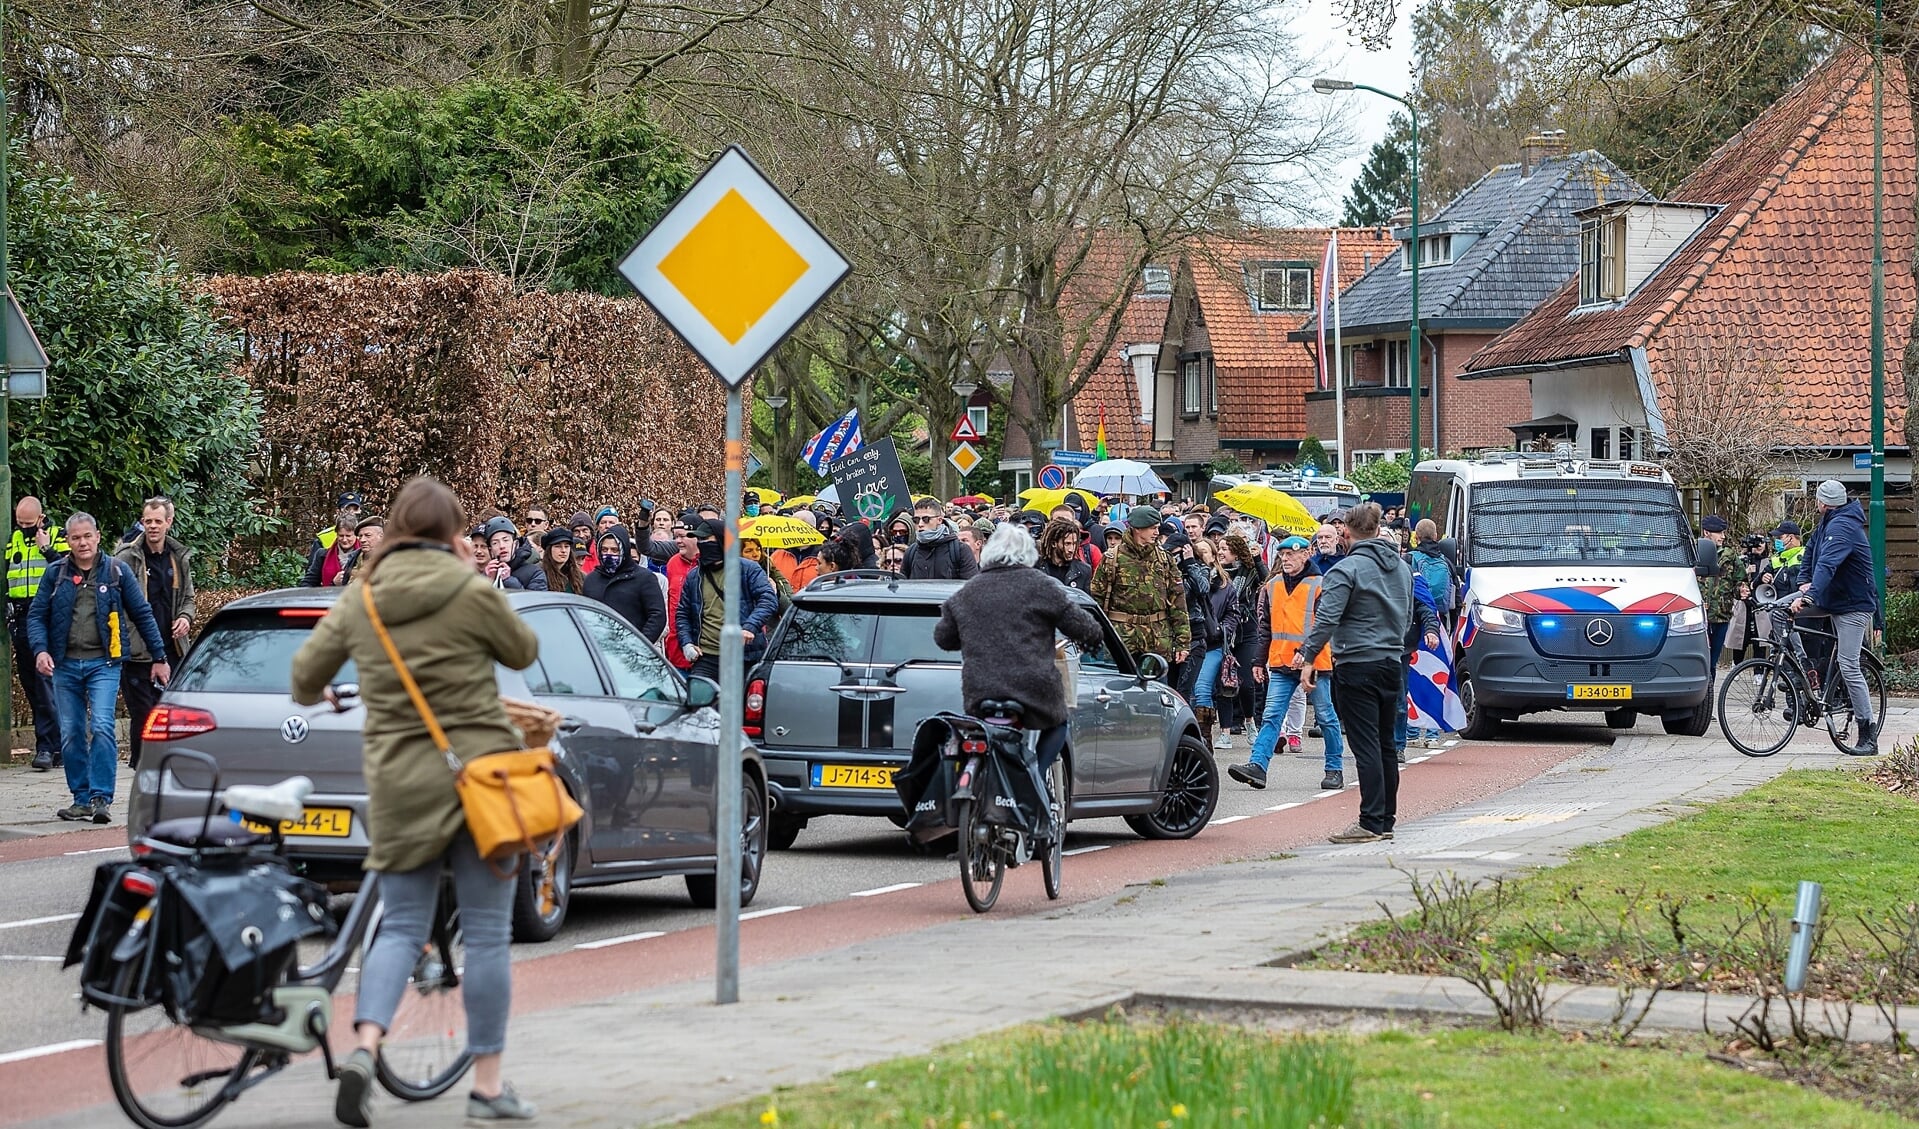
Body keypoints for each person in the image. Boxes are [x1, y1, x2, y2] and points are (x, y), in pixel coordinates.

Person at [289, 476, 539, 1127]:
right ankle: (486, 1088)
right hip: (479, 777)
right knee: (485, 933)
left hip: (400, 781)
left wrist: (337, 694)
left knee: (399, 926)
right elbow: (524, 648)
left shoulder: (361, 596)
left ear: (395, 527)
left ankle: (365, 1047)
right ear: (453, 531)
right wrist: (472, 574)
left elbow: (303, 677)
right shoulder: (470, 586)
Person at [1291, 503, 1438, 845]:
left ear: (1346, 532)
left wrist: (1309, 655)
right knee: (1387, 744)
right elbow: (1407, 614)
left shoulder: (1346, 570)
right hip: (1390, 660)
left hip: (1356, 662)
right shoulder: (1403, 568)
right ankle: (1386, 819)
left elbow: (1327, 618)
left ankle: (1370, 821)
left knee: (1365, 745)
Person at [933, 522, 1105, 792]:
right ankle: (1035, 773)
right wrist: (1093, 639)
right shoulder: (1042, 586)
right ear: (1029, 554)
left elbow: (943, 638)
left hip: (981, 691)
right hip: (1034, 690)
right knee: (1058, 723)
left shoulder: (967, 592)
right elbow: (1085, 627)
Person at [26, 512, 171, 824]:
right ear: (67, 541)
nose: (82, 543)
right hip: (64, 665)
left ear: (97, 536)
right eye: (75, 538)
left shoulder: (116, 572)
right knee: (71, 733)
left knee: (103, 726)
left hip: (103, 664)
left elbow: (143, 613)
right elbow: (37, 615)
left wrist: (159, 658)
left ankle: (101, 798)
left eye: (87, 536)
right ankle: (80, 799)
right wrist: (40, 651)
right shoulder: (56, 574)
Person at [1231, 535, 1344, 791]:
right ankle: (1257, 766)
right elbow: (1266, 628)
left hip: (1314, 664)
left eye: (1291, 554)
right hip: (1281, 661)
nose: (1286, 559)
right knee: (1271, 716)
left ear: (1306, 554)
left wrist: (1305, 652)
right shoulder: (1273, 586)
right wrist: (1259, 660)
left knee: (1325, 716)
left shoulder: (1320, 585)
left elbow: (1324, 624)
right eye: (1282, 555)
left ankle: (1334, 768)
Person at [1794, 480, 1880, 755]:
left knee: (1849, 663)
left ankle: (1868, 734)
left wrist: (1808, 596)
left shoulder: (1843, 527)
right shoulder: (1826, 524)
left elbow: (1828, 564)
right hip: (1831, 599)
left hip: (1853, 605)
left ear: (1822, 503)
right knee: (1777, 611)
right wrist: (1803, 583)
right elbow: (1810, 555)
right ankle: (1806, 669)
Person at [112, 498, 195, 771]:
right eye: (148, 521)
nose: (152, 526)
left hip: (172, 648)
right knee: (143, 713)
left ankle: (164, 764)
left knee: (167, 711)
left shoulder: (178, 557)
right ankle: (140, 764)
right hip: (137, 650)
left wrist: (185, 617)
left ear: (169, 522)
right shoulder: (127, 557)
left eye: (158, 521)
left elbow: (189, 598)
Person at [675, 521, 779, 683]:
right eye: (700, 541)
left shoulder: (748, 569)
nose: (702, 545)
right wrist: (687, 642)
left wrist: (750, 627)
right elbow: (683, 613)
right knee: (698, 702)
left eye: (707, 540)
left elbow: (768, 599)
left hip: (744, 657)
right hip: (706, 658)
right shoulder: (694, 576)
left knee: (741, 706)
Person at [1089, 506, 1190, 670]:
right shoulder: (1112, 558)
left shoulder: (1164, 559)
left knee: (1156, 691)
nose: (1157, 532)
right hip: (1121, 638)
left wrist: (1182, 642)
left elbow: (1178, 601)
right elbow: (1097, 598)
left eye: (1158, 527)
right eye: (1152, 528)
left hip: (1157, 638)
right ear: (1137, 529)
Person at [8, 496, 67, 770]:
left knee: (46, 685)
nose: (24, 529)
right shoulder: (12, 540)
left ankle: (46, 747)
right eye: (20, 524)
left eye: (29, 524)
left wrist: (47, 550)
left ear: (41, 518)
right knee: (32, 686)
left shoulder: (58, 537)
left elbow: (70, 575)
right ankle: (57, 747)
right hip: (21, 619)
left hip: (48, 619)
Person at [584, 524, 667, 639]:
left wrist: (639, 645)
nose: (609, 554)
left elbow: (657, 616)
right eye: (604, 549)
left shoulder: (644, 578)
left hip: (632, 652)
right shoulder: (591, 580)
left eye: (614, 550)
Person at [1695, 515, 1739, 672]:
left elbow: (1739, 580)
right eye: (1719, 533)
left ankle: (1709, 692)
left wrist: (1743, 589)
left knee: (1713, 661)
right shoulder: (1693, 553)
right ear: (1707, 532)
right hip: (1698, 615)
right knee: (1701, 659)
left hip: (1721, 614)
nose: (1723, 536)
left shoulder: (1729, 554)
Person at [902, 498, 980, 580]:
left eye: (926, 519)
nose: (920, 524)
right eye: (916, 520)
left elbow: (969, 586)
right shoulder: (911, 552)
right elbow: (903, 586)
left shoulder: (960, 550)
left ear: (939, 520)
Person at [483, 517, 548, 591]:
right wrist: (486, 581)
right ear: (490, 550)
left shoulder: (535, 573)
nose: (501, 546)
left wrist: (508, 580)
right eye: (495, 543)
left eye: (506, 540)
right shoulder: (483, 575)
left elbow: (536, 600)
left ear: (515, 544)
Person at [303, 511, 360, 587]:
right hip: (329, 597)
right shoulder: (322, 555)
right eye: (341, 536)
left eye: (348, 536)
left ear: (356, 535)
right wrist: (333, 583)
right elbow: (307, 584)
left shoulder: (365, 555)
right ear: (336, 534)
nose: (344, 539)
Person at [1036, 518, 1093, 593]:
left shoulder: (1084, 571)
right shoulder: (1035, 567)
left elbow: (1087, 601)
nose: (1071, 549)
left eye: (1074, 543)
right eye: (1067, 544)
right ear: (1054, 543)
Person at [540, 527, 586, 595]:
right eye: (558, 546)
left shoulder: (581, 577)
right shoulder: (539, 574)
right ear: (549, 550)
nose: (563, 550)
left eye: (566, 546)